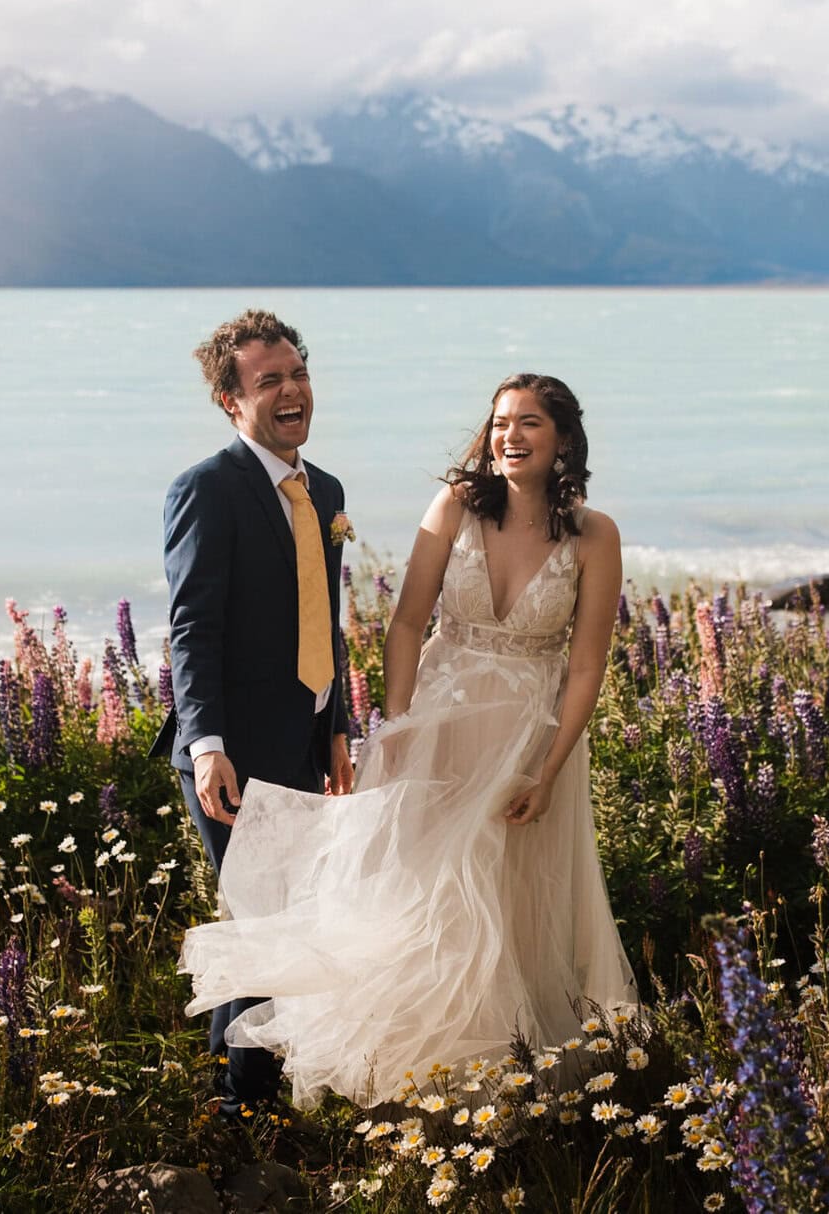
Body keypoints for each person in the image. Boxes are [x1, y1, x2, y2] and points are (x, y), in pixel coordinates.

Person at [180, 373, 637, 1108]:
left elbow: (587, 665)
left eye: (528, 425)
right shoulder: (456, 506)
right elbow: (404, 624)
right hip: (437, 726)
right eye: (499, 423)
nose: (508, 438)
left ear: (564, 443)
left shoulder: (594, 535)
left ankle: (496, 1073)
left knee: (509, 901)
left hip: (528, 739)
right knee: (424, 896)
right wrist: (394, 728)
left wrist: (549, 770)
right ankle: (411, 1071)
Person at [152, 308, 354, 1123]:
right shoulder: (206, 489)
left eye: (297, 373)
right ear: (230, 402)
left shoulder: (326, 492)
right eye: (268, 381)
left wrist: (335, 725)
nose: (290, 390)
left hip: (303, 743)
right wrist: (206, 744)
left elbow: (324, 618)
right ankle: (246, 1103)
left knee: (279, 916)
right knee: (268, 918)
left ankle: (228, 1079)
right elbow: (190, 627)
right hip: (230, 756)